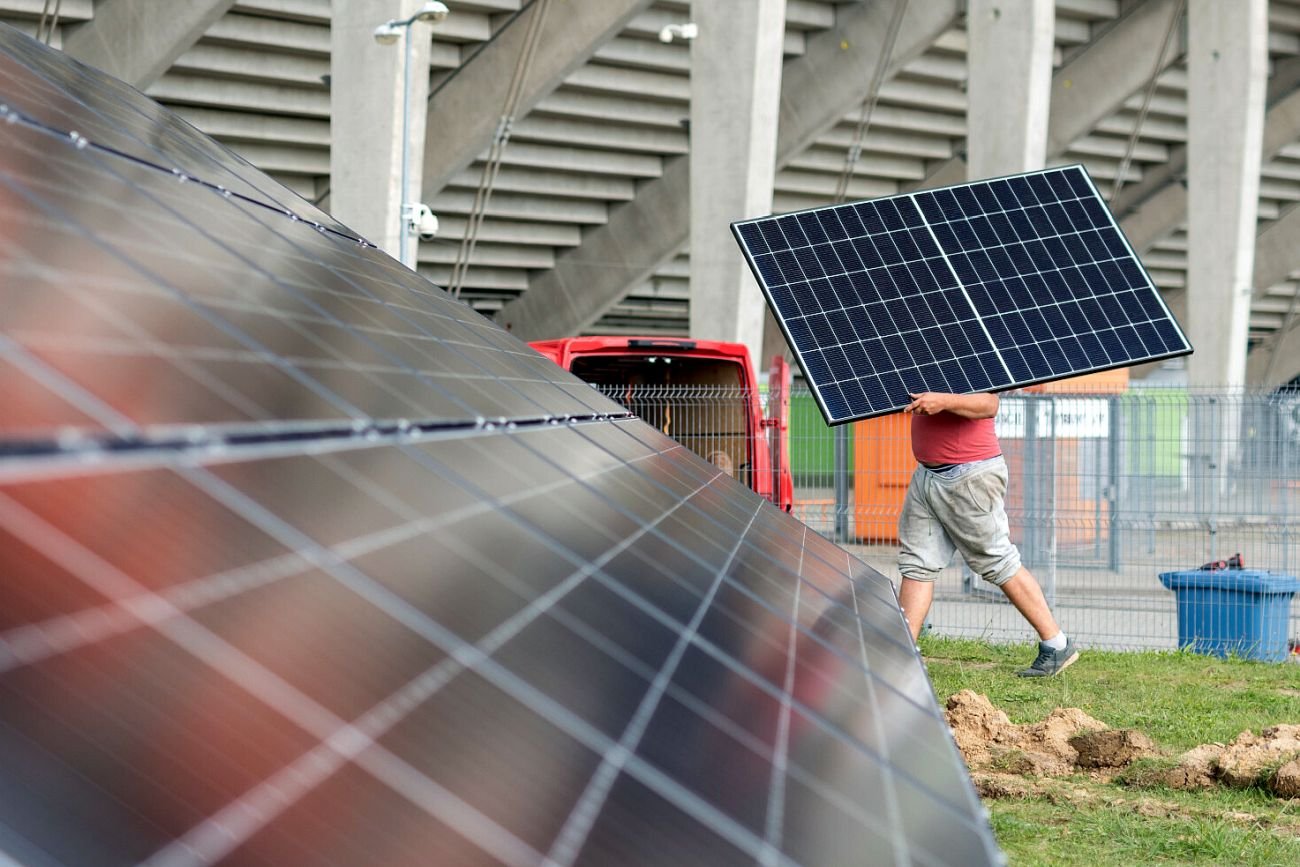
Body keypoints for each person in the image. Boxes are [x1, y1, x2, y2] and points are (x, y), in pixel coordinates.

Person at [897, 391, 1079, 677]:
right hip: (928, 475)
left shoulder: (966, 361)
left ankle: (1057, 644)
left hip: (968, 476)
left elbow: (989, 404)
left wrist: (943, 401)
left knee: (998, 561)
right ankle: (902, 653)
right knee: (917, 563)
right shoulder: (926, 363)